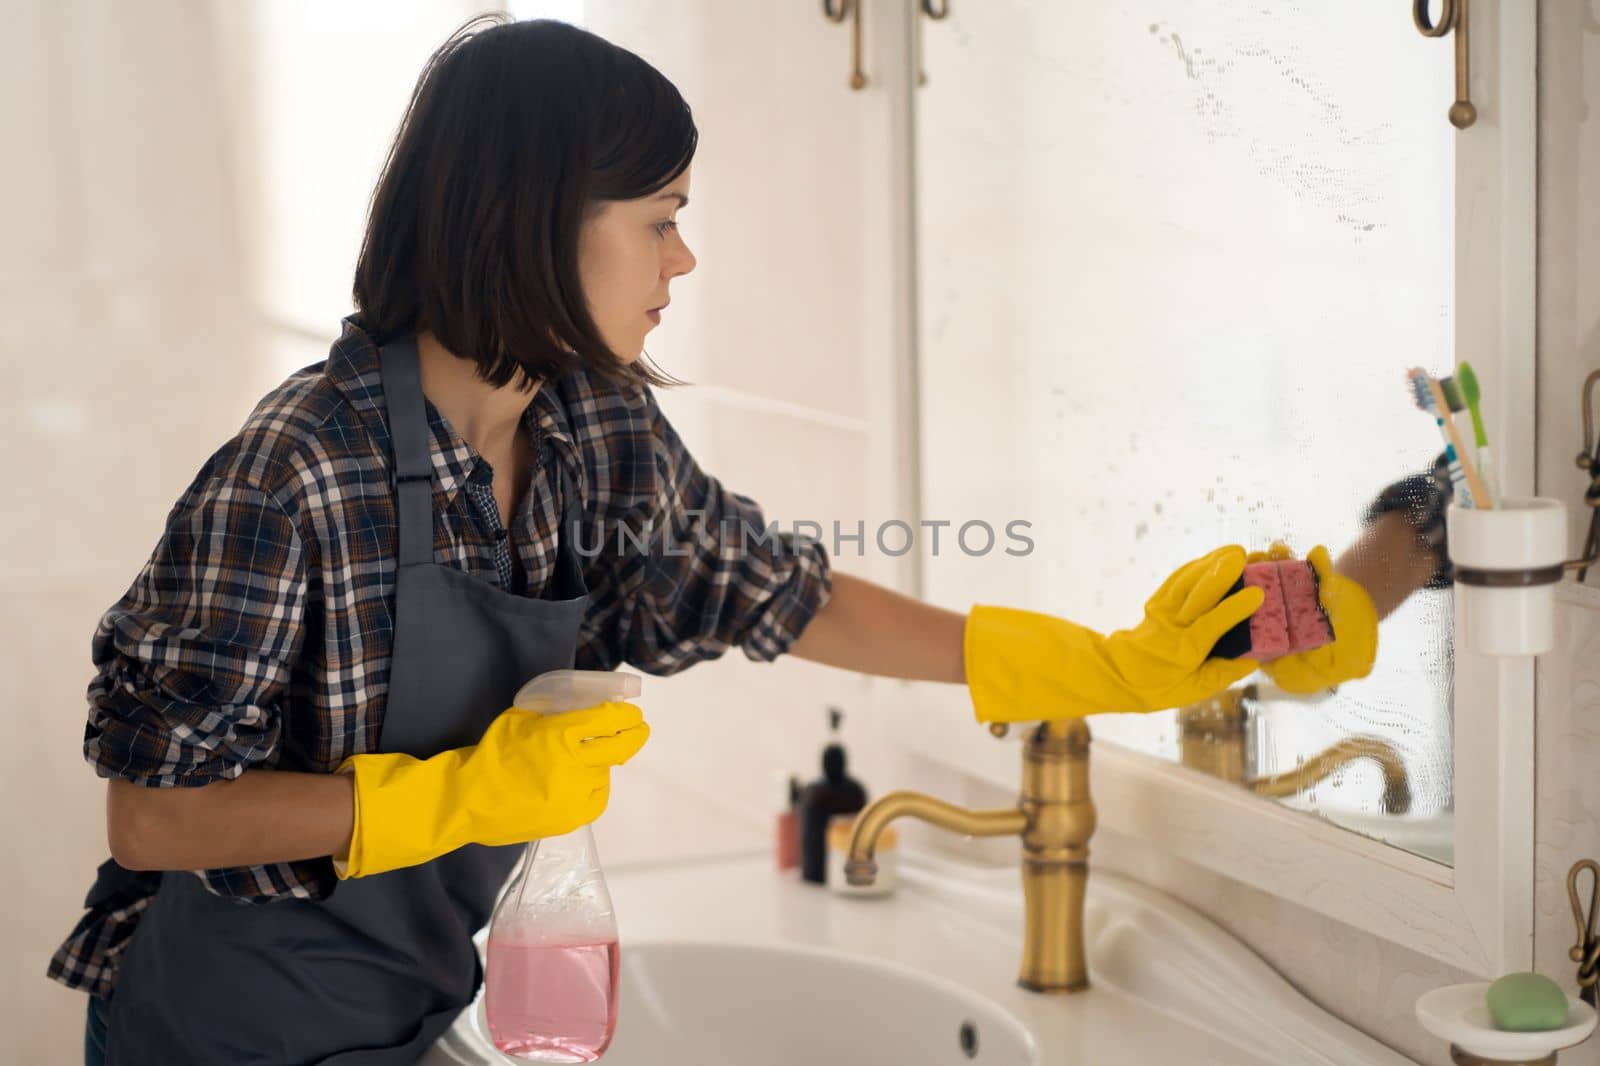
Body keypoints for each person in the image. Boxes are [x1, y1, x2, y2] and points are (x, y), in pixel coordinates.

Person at [49, 16, 1379, 1065]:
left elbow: (786, 597)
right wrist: (450, 797)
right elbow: (155, 813)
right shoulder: (297, 472)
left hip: (416, 1016)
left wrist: (1104, 664)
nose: (681, 262)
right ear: (534, 224)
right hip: (231, 1035)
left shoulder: (589, 432)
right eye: (660, 219)